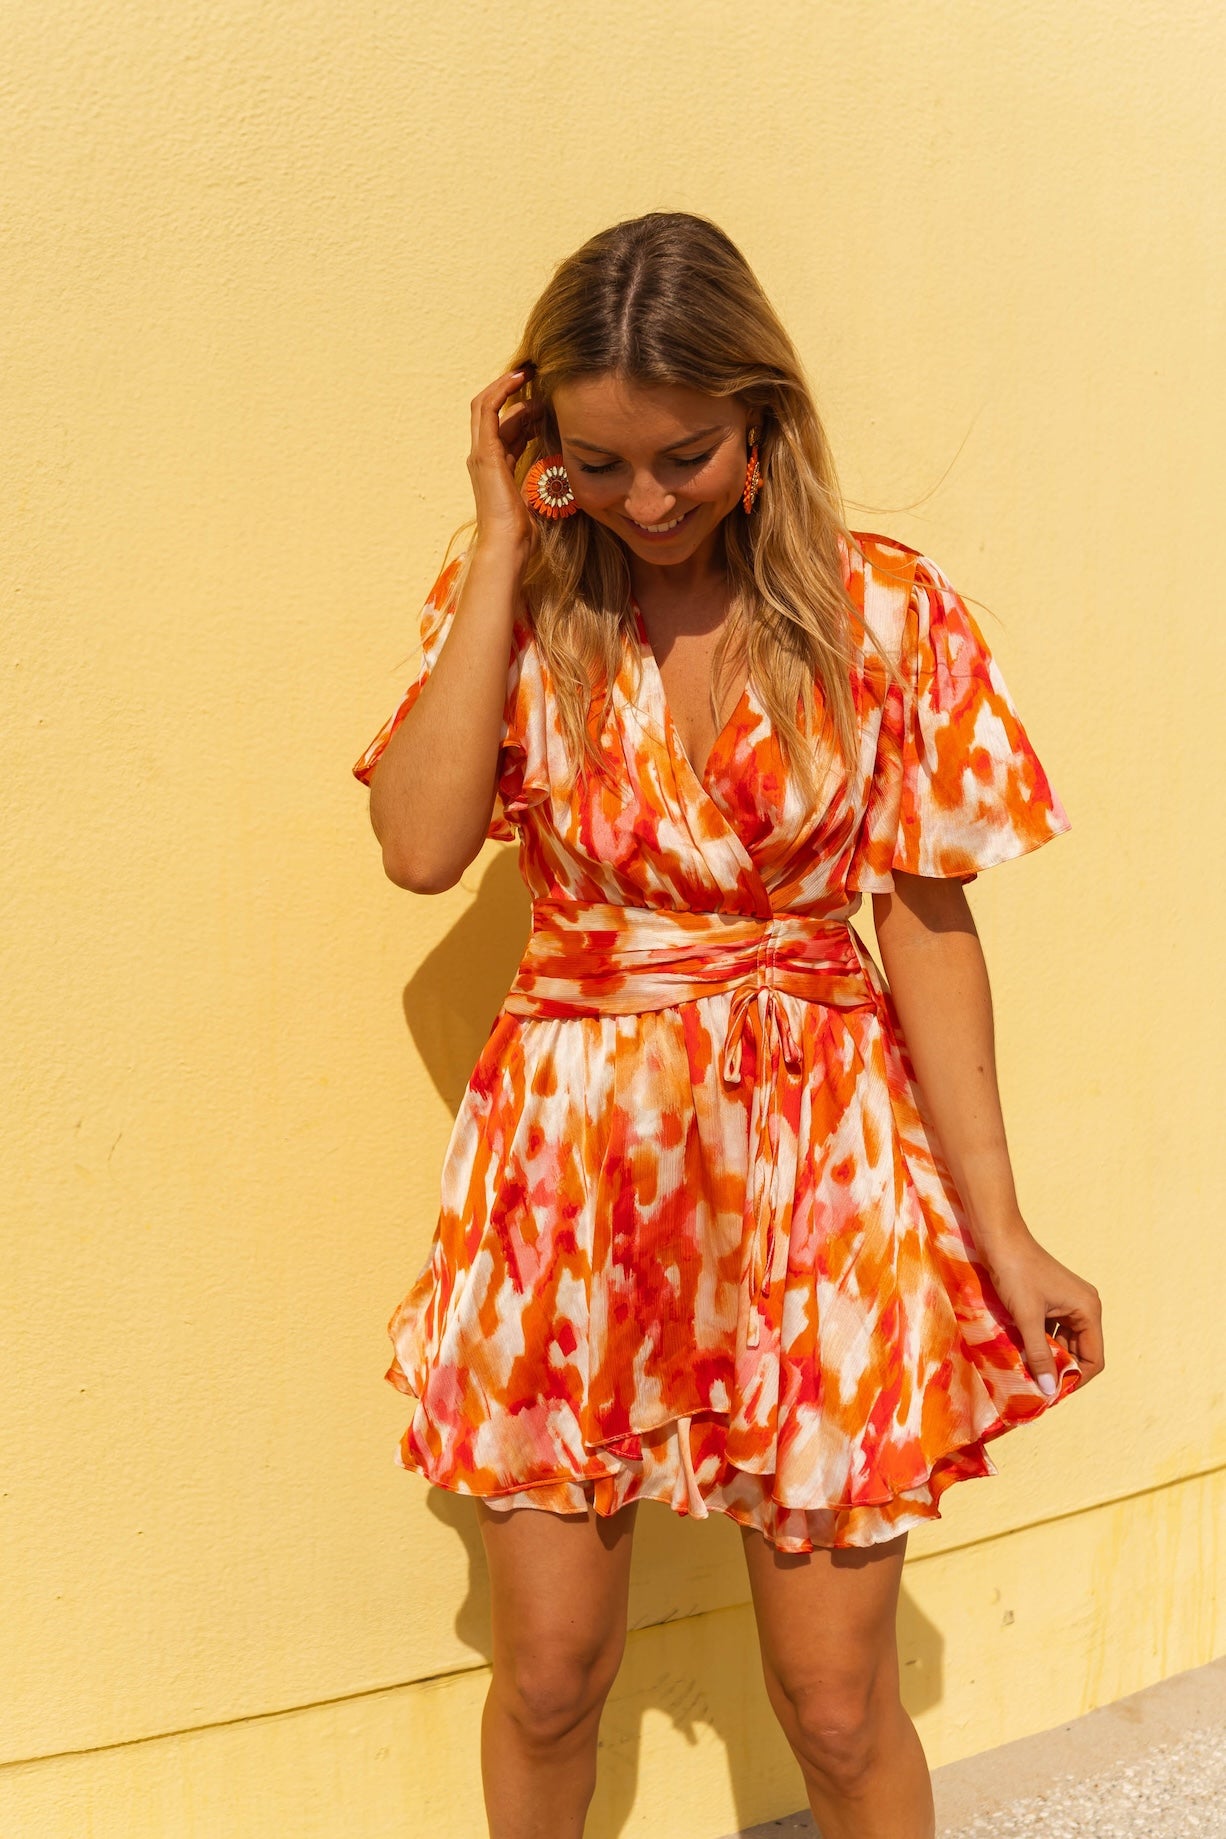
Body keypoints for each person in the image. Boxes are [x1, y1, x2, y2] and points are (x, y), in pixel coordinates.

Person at [353, 211, 1104, 1839]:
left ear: (761, 420)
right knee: (549, 1672)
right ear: (541, 447)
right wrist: (496, 541)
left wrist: (1003, 1231)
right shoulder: (520, 598)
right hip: (568, 1175)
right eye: (596, 462)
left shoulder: (883, 613)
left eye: (683, 456)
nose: (644, 502)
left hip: (821, 1169)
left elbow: (923, 923)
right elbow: (419, 850)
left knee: (836, 1706)